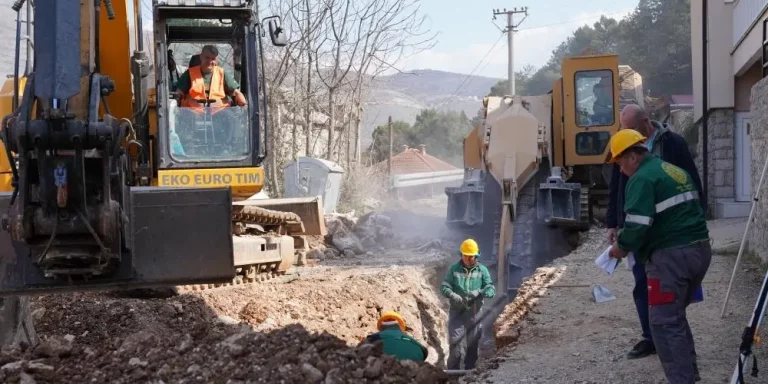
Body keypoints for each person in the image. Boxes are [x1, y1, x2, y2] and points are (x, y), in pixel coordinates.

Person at [607, 128, 711, 383]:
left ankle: (681, 379)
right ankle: (689, 373)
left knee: (664, 323)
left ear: (633, 156)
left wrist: (619, 248)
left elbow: (637, 226)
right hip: (699, 250)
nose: (621, 171)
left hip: (670, 258)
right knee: (674, 315)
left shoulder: (641, 179)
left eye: (621, 163)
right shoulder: (673, 171)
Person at [440, 239, 495, 370]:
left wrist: (480, 292)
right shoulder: (454, 269)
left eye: (471, 256)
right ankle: (453, 375)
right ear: (461, 254)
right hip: (457, 313)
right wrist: (452, 294)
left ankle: (470, 372)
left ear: (476, 256)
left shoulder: (482, 270)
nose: (468, 259)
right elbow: (444, 287)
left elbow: (491, 290)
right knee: (456, 345)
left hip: (474, 313)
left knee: (472, 344)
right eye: (465, 255)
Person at [362, 311, 428, 362]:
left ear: (381, 326)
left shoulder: (372, 339)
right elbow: (425, 353)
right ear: (401, 327)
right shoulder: (418, 346)